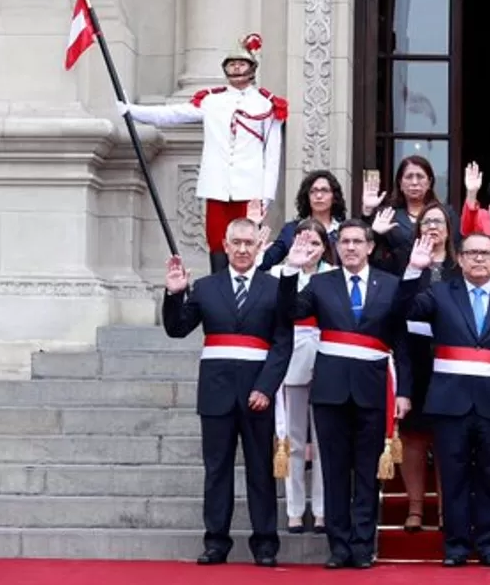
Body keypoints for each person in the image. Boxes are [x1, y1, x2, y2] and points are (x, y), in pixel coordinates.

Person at [396, 233, 490, 568]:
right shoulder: (440, 293)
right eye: (471, 253)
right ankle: (456, 546)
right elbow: (402, 310)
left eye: (485, 253)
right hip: (449, 401)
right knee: (454, 475)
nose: (478, 259)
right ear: (459, 259)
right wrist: (414, 271)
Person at [161, 217, 292, 567]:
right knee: (216, 470)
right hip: (216, 393)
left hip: (257, 393)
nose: (243, 249)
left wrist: (266, 387)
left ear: (259, 246)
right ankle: (216, 542)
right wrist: (175, 294)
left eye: (250, 243)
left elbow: (282, 344)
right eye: (237, 243)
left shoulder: (275, 288)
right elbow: (177, 329)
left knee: (260, 471)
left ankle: (265, 544)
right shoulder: (204, 287)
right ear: (225, 244)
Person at [281, 220, 411, 570]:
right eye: (345, 242)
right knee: (335, 471)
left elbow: (400, 339)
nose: (351, 247)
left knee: (367, 473)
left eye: (358, 241)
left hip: (373, 388)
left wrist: (405, 392)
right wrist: (292, 269)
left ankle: (362, 545)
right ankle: (338, 547)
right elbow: (289, 311)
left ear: (370, 247)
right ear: (336, 248)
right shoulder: (321, 283)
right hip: (331, 390)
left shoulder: (390, 284)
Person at [119, 33, 287, 273]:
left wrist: (265, 197)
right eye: (231, 64)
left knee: (247, 245)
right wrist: (133, 111)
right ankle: (217, 298)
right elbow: (174, 114)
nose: (236, 68)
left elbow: (272, 156)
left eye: (241, 63)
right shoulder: (212, 101)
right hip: (218, 187)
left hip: (250, 189)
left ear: (252, 68)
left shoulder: (267, 105)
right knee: (218, 244)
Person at [390, 203, 458, 532]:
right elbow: (397, 311)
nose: (432, 226)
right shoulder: (408, 265)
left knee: (448, 438)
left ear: (449, 228)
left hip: (453, 361)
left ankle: (448, 509)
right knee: (414, 437)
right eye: (426, 221)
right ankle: (415, 508)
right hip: (414, 360)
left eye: (439, 221)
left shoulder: (461, 266)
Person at [270, 218, 337, 535]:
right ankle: (295, 509)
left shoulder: (334, 276)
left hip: (325, 354)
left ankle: (323, 509)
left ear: (325, 247)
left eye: (315, 243)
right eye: (302, 241)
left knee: (324, 439)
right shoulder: (280, 273)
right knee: (293, 440)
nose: (308, 249)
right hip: (292, 352)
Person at [361, 155, 461, 256]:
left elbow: (456, 248)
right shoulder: (387, 215)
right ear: (400, 183)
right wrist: (368, 212)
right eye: (409, 177)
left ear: (429, 182)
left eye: (420, 177)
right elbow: (365, 250)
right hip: (397, 271)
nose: (414, 182)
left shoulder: (446, 214)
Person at [259, 170, 347, 271]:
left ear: (334, 196)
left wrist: (367, 214)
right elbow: (266, 263)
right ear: (307, 196)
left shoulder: (343, 231)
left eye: (324, 190)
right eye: (313, 191)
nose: (318, 196)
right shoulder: (291, 229)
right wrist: (256, 248)